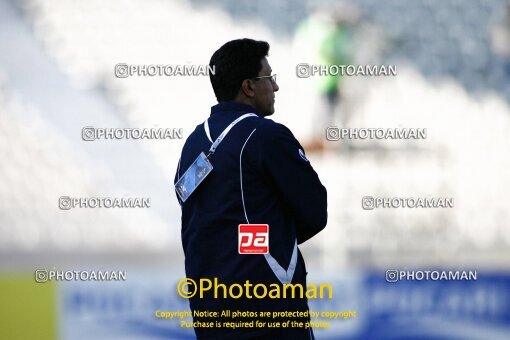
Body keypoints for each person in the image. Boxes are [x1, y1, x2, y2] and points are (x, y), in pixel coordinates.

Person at [174, 38, 328, 339]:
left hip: (209, 308)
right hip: (268, 305)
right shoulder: (265, 135)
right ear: (248, 86)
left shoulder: (192, 144)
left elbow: (197, 218)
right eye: (269, 77)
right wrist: (269, 238)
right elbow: (315, 211)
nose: (275, 86)